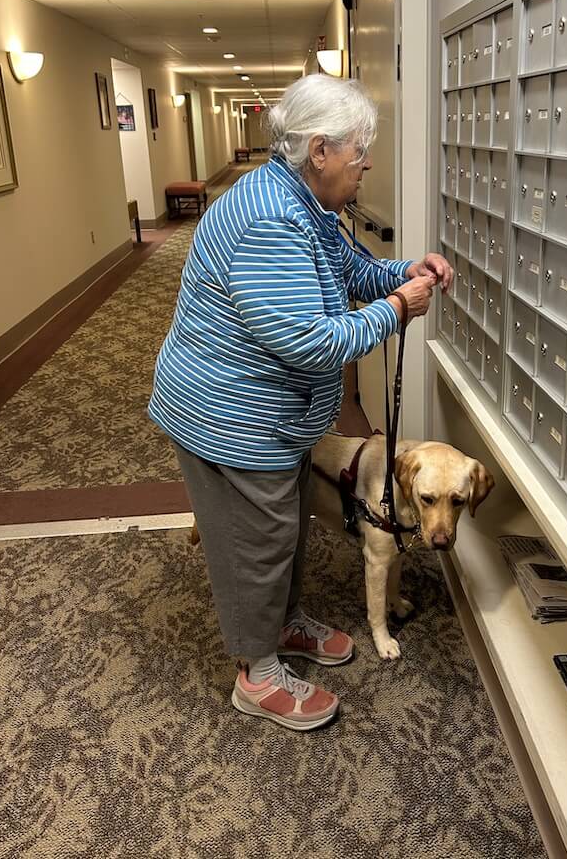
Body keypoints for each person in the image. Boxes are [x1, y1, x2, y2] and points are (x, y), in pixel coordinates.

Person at [149, 74, 453, 732]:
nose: (366, 162)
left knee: (285, 528)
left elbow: (350, 272)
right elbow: (313, 344)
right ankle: (255, 676)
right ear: (319, 150)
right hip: (229, 415)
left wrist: (404, 274)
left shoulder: (305, 203)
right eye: (358, 151)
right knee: (256, 544)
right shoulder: (269, 217)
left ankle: (283, 626)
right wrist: (399, 310)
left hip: (272, 416)